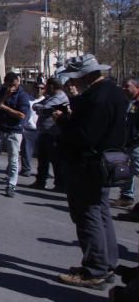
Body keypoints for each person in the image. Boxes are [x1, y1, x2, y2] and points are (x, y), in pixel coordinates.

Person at [53, 54, 129, 287]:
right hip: (106, 161)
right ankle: (106, 263)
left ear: (85, 76)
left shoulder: (97, 98)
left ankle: (95, 269)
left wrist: (63, 121)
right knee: (101, 213)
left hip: (89, 164)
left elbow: (84, 136)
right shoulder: (114, 93)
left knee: (88, 216)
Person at [0, 72, 31, 197]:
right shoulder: (1, 92)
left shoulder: (23, 96)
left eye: (13, 85)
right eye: (9, 85)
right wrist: (5, 96)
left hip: (14, 131)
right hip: (0, 129)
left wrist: (4, 107)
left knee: (13, 159)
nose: (11, 87)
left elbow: (21, 115)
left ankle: (11, 185)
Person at [32, 77, 70, 190]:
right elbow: (36, 106)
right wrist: (41, 109)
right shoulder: (50, 97)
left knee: (56, 160)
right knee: (43, 159)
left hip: (54, 134)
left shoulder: (60, 97)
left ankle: (60, 184)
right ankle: (40, 181)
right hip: (46, 133)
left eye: (47, 86)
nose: (45, 89)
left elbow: (44, 108)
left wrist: (42, 109)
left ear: (52, 86)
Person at [112, 78, 139, 209]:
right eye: (122, 86)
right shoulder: (127, 102)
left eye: (127, 86)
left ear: (136, 87)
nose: (124, 89)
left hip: (136, 144)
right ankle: (126, 196)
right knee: (125, 170)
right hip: (125, 142)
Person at [20, 83, 43, 177]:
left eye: (42, 88)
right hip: (28, 129)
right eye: (37, 87)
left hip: (40, 130)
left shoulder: (46, 100)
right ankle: (26, 170)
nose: (39, 90)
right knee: (26, 152)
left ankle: (42, 173)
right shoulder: (28, 99)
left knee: (42, 154)